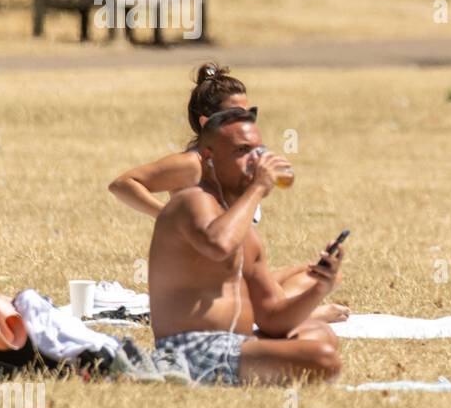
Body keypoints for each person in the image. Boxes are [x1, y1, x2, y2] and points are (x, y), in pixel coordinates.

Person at [109, 62, 350, 321]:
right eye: (235, 115)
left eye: (248, 114)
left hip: (237, 270)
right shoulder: (192, 164)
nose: (244, 122)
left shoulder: (239, 163)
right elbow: (122, 185)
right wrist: (169, 217)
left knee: (326, 274)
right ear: (206, 123)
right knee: (294, 292)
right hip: (204, 282)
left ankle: (277, 309)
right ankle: (300, 315)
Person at [148, 107, 342, 385]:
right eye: (241, 151)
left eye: (258, 150)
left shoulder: (243, 228)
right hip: (190, 349)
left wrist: (321, 287)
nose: (255, 161)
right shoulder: (191, 201)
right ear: (208, 158)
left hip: (236, 342)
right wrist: (258, 188)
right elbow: (218, 245)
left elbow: (272, 319)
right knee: (322, 358)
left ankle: (261, 369)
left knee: (320, 334)